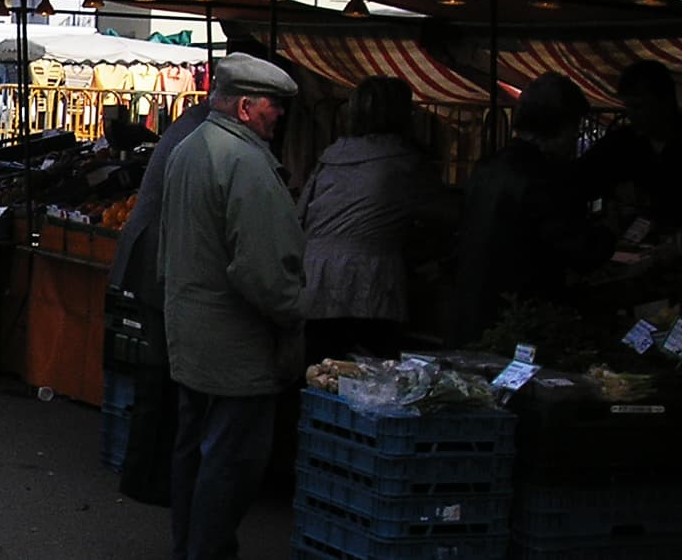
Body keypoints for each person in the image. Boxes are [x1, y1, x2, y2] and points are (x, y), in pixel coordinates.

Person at [160, 52, 305, 560]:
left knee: (195, 456)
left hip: (192, 331)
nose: (279, 115)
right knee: (230, 462)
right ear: (246, 107)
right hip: (234, 345)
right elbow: (262, 271)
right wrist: (294, 315)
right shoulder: (245, 163)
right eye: (273, 105)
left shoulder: (191, 147)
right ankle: (207, 552)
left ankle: (190, 548)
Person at [297, 77, 455, 361]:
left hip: (315, 280)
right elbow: (445, 215)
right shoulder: (406, 162)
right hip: (371, 285)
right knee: (372, 380)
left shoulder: (331, 157)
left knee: (321, 373)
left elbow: (301, 214)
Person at [452, 73, 614, 344]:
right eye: (574, 126)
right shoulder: (542, 177)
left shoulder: (488, 168)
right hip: (517, 319)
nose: (576, 136)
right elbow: (578, 247)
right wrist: (608, 233)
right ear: (560, 126)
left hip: (473, 311)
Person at [109, 100, 209, 508]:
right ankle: (152, 477)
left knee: (160, 371)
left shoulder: (194, 124)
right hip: (160, 260)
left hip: (154, 256)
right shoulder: (203, 135)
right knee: (166, 373)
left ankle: (144, 473)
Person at [579, 60, 682, 229]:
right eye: (628, 106)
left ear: (665, 101)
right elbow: (581, 179)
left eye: (638, 107)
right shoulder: (622, 141)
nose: (631, 115)